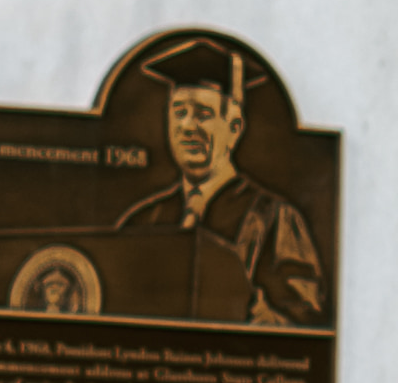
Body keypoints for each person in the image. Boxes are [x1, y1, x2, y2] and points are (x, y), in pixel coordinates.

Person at [109, 41, 327, 328]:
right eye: (178, 112)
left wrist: (260, 318)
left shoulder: (275, 219)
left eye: (203, 114)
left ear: (234, 128)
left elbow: (307, 327)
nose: (187, 127)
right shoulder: (142, 221)